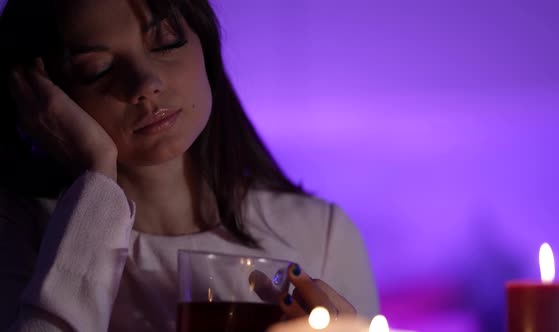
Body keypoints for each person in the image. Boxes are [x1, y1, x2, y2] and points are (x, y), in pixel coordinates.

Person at [0, 0, 380, 330]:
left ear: (205, 43)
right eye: (97, 69)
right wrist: (99, 172)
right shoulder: (25, 232)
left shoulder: (321, 235)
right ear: (43, 96)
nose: (145, 83)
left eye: (166, 42)